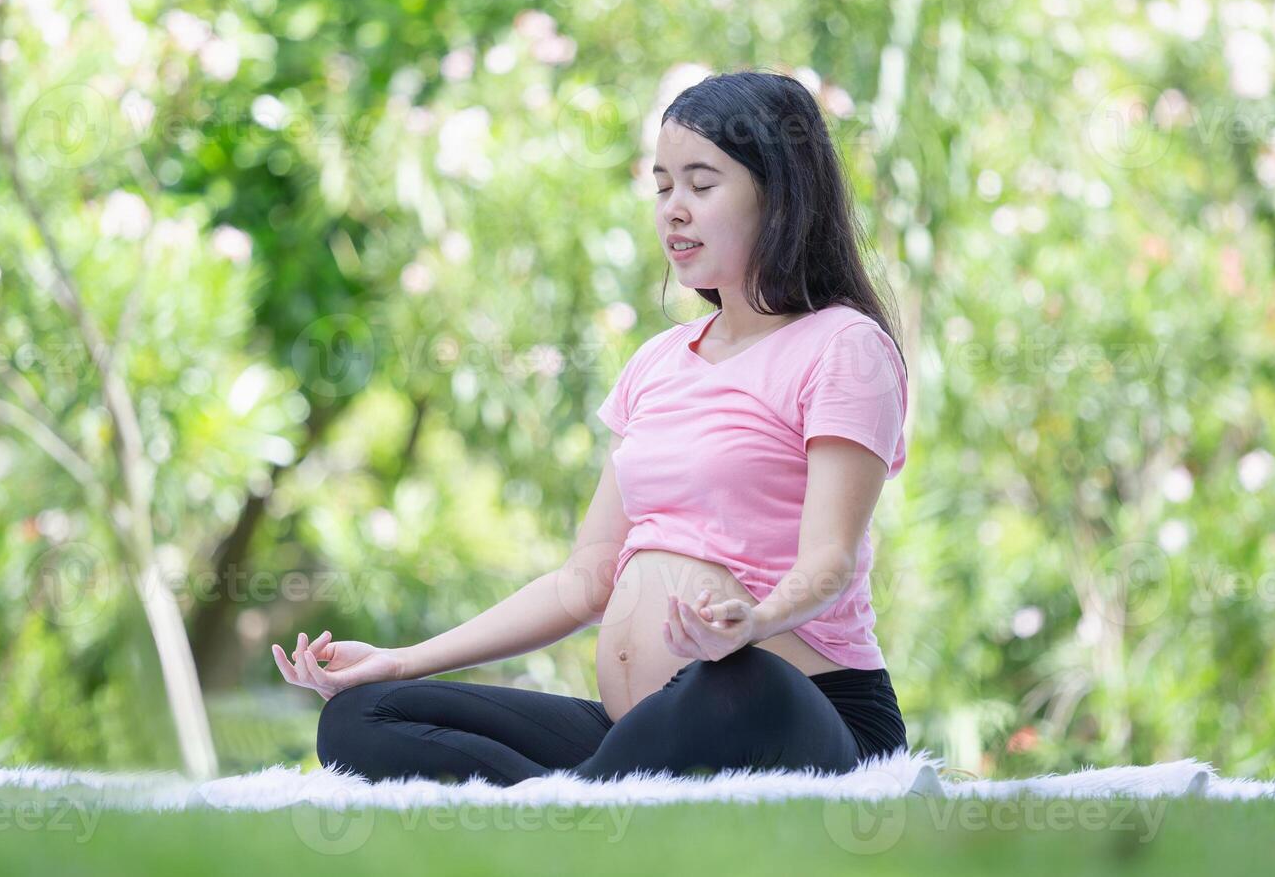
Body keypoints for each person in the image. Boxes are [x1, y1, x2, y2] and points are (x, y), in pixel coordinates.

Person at [272, 68, 911, 786]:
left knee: (735, 681)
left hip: (798, 710)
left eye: (702, 185)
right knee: (362, 717)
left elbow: (827, 562)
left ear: (782, 194)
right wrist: (402, 659)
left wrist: (753, 623)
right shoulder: (657, 363)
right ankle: (576, 805)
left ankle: (575, 803)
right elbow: (585, 582)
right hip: (640, 730)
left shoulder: (841, 345)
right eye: (663, 186)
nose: (674, 210)